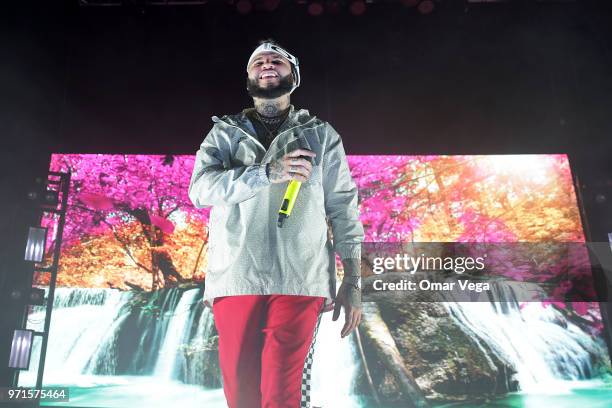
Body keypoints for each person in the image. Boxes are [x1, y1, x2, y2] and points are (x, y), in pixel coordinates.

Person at [188, 39, 364, 408]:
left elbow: (344, 208)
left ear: (293, 76)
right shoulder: (224, 134)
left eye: (277, 61)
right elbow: (201, 189)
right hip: (236, 275)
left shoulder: (322, 136)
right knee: (241, 395)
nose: (267, 64)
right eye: (258, 62)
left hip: (301, 277)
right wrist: (266, 173)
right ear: (249, 77)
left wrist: (354, 281)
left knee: (283, 395)